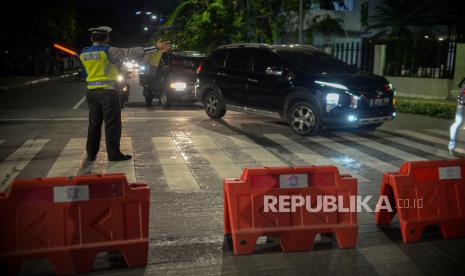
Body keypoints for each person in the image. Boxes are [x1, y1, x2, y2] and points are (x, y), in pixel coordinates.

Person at [79, 26, 170, 161]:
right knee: (112, 124)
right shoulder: (109, 51)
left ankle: (91, 154)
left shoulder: (83, 53)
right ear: (107, 39)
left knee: (94, 124)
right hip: (108, 92)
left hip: (91, 93)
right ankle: (113, 154)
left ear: (92, 38)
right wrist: (156, 47)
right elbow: (131, 52)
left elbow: (84, 73)